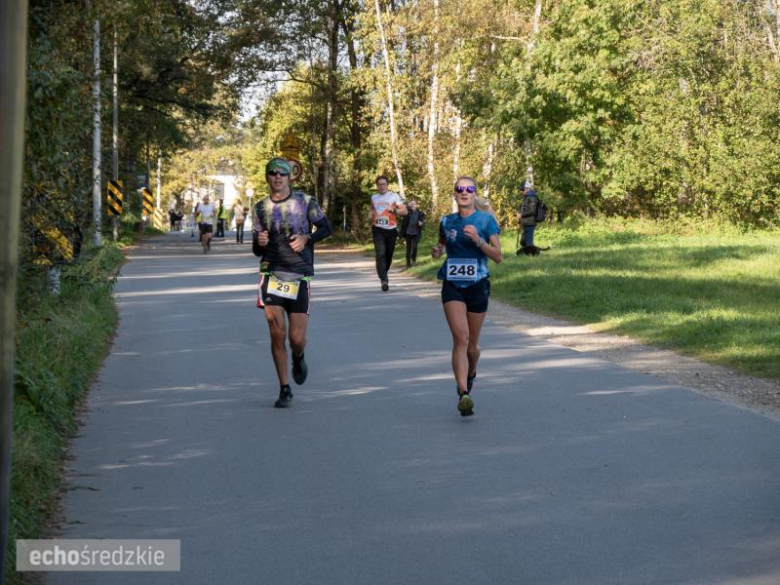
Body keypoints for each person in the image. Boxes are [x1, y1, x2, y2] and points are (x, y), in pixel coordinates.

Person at [252, 157, 333, 408]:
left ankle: (298, 357)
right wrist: (260, 243)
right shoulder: (260, 207)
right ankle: (284, 388)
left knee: (296, 339)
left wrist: (307, 238)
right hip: (271, 273)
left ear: (289, 178)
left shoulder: (305, 202)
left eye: (282, 174)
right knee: (277, 334)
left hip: (299, 275)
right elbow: (256, 248)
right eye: (273, 173)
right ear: (267, 177)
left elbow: (326, 228)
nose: (277, 177)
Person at [431, 176, 502, 417]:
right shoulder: (447, 221)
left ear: (474, 194)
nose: (464, 192)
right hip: (452, 284)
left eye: (469, 189)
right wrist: (438, 250)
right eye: (460, 189)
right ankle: (463, 393)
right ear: (454, 194)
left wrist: (478, 240)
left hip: (478, 285)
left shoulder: (486, 221)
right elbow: (441, 244)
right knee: (460, 339)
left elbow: (498, 256)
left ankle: (472, 371)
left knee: (472, 345)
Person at [369, 175, 407, 291]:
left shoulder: (394, 196)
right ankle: (384, 280)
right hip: (378, 229)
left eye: (384, 184)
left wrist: (394, 210)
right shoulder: (374, 197)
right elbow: (371, 209)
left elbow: (404, 211)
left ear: (387, 185)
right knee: (380, 254)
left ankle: (383, 272)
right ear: (377, 186)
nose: (382, 186)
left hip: (391, 230)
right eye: (379, 184)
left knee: (388, 255)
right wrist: (370, 214)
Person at [400, 200, 425, 268]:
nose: (412, 205)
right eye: (411, 204)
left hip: (416, 233)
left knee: (414, 247)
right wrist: (401, 235)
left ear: (416, 205)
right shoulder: (406, 213)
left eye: (414, 204)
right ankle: (408, 264)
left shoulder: (420, 213)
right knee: (408, 248)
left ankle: (413, 260)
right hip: (408, 232)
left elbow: (423, 223)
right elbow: (403, 222)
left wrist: (421, 224)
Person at [516, 182, 539, 248]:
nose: (521, 191)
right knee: (523, 241)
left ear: (527, 188)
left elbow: (532, 211)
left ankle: (531, 255)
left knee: (529, 242)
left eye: (522, 190)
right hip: (525, 222)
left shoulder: (532, 197)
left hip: (530, 222)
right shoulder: (526, 197)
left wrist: (521, 215)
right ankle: (526, 254)